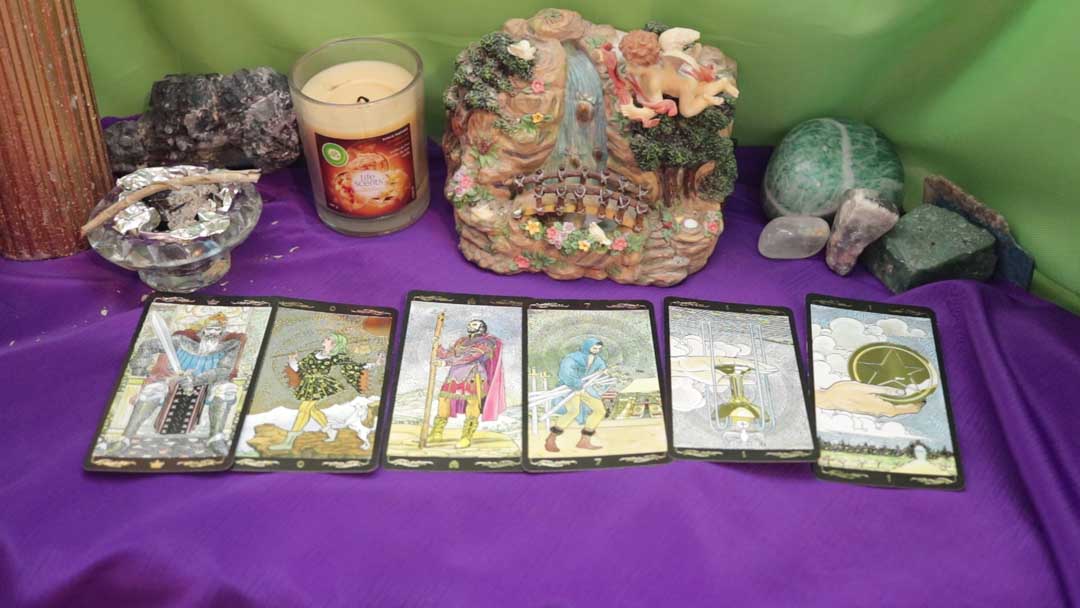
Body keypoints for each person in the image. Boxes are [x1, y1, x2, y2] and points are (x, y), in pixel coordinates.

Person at [109, 313, 243, 456]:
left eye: (217, 329)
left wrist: (195, 380)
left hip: (209, 383)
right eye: (210, 328)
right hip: (173, 381)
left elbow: (223, 370)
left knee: (226, 389)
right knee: (153, 389)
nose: (212, 333)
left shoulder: (231, 346)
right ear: (203, 329)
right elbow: (148, 345)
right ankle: (125, 438)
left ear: (222, 332)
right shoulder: (181, 341)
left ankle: (216, 438)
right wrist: (139, 369)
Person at [269, 332, 367, 451]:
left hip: (320, 386)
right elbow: (300, 368)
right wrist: (292, 360)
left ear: (334, 344)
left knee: (303, 410)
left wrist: (374, 364)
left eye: (328, 339)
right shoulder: (314, 353)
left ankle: (289, 442)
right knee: (312, 410)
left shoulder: (335, 357)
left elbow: (354, 366)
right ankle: (330, 431)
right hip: (308, 384)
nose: (324, 339)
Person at [429, 319, 506, 449]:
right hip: (454, 375)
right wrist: (438, 347)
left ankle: (466, 437)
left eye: (474, 324)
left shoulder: (486, 342)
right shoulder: (462, 341)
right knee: (443, 399)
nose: (471, 325)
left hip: (474, 375)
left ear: (482, 327)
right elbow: (450, 354)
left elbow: (470, 356)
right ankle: (437, 432)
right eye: (470, 324)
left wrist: (445, 363)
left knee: (472, 403)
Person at [545, 338, 607, 452]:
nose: (597, 351)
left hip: (586, 388)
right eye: (594, 348)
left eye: (599, 349)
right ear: (587, 346)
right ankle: (551, 439)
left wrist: (603, 372)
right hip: (570, 387)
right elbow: (566, 373)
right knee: (573, 411)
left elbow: (602, 369)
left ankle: (584, 441)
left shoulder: (597, 360)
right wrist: (577, 386)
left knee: (600, 411)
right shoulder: (572, 358)